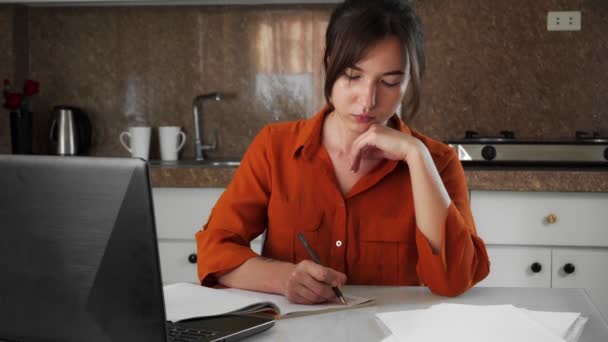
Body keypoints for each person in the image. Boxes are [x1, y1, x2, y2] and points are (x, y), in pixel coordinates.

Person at [196, 0, 490, 304]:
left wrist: (416, 156)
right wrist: (283, 278)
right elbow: (213, 252)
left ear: (408, 82)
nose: (367, 100)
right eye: (352, 75)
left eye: (390, 82)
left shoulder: (437, 162)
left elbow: (454, 280)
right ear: (329, 63)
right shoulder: (275, 147)